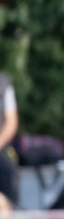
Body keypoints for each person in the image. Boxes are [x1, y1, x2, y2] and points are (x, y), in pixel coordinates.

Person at [0, 71, 19, 205]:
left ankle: (9, 209)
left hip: (1, 147)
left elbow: (11, 123)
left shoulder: (4, 84)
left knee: (7, 166)